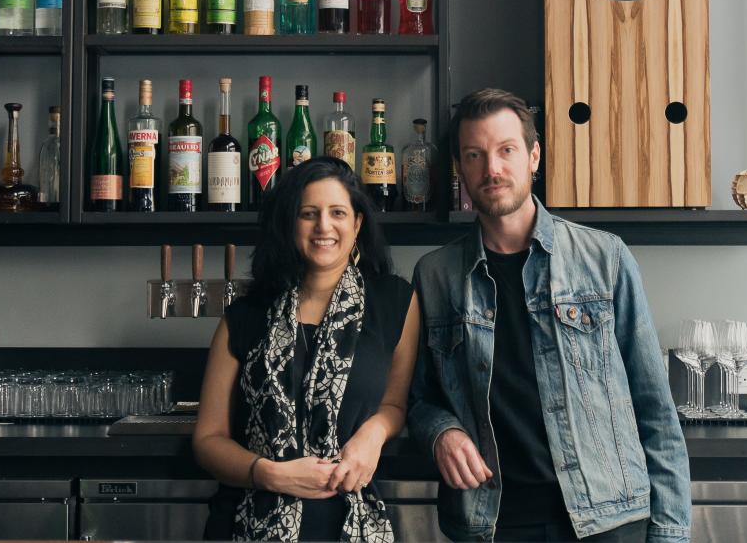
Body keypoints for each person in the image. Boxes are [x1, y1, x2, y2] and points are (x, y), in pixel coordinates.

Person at [408, 89, 691, 542]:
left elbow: (654, 407)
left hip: (606, 519)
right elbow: (418, 398)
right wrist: (441, 432)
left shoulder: (604, 258)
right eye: (475, 155)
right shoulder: (435, 275)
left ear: (533, 156)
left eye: (506, 151)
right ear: (460, 169)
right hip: (491, 522)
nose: (492, 169)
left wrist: (670, 534)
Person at [194, 156, 420, 542]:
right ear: (290, 224)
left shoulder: (394, 302)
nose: (324, 227)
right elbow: (208, 439)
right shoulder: (246, 315)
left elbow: (395, 404)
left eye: (337, 213)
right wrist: (267, 472)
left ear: (357, 223)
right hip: (249, 521)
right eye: (308, 214)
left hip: (350, 523)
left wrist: (374, 434)